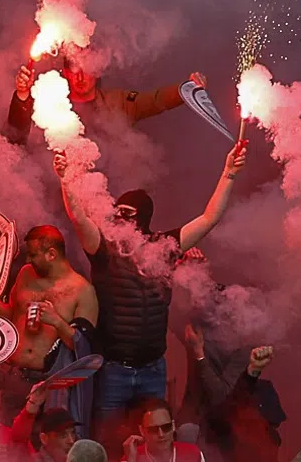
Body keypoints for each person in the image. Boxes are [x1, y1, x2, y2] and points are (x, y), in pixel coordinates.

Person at [55, 140, 247, 440]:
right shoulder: (105, 250)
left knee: (155, 445)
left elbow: (210, 218)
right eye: (118, 211)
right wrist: (66, 180)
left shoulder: (165, 247)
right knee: (108, 442)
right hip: (114, 370)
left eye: (128, 213)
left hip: (152, 370)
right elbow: (78, 218)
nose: (119, 218)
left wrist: (229, 174)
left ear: (143, 219)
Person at [0, 226, 98, 434]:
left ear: (51, 254)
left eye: (33, 255)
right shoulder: (26, 275)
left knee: (44, 445)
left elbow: (84, 348)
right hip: (13, 377)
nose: (27, 261)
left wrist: (57, 322)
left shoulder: (82, 290)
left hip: (47, 385)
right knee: (9, 442)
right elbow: (13, 317)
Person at [8, 61, 194, 138]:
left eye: (87, 69)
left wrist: (188, 89)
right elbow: (16, 134)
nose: (81, 77)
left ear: (98, 70)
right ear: (65, 73)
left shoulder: (118, 102)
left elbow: (156, 100)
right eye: (74, 71)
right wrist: (23, 94)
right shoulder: (47, 104)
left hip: (107, 195)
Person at [122, 398, 204, 462]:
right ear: (142, 431)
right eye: (153, 429)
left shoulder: (193, 454)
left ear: (173, 426)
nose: (161, 434)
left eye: (166, 427)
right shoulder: (131, 457)